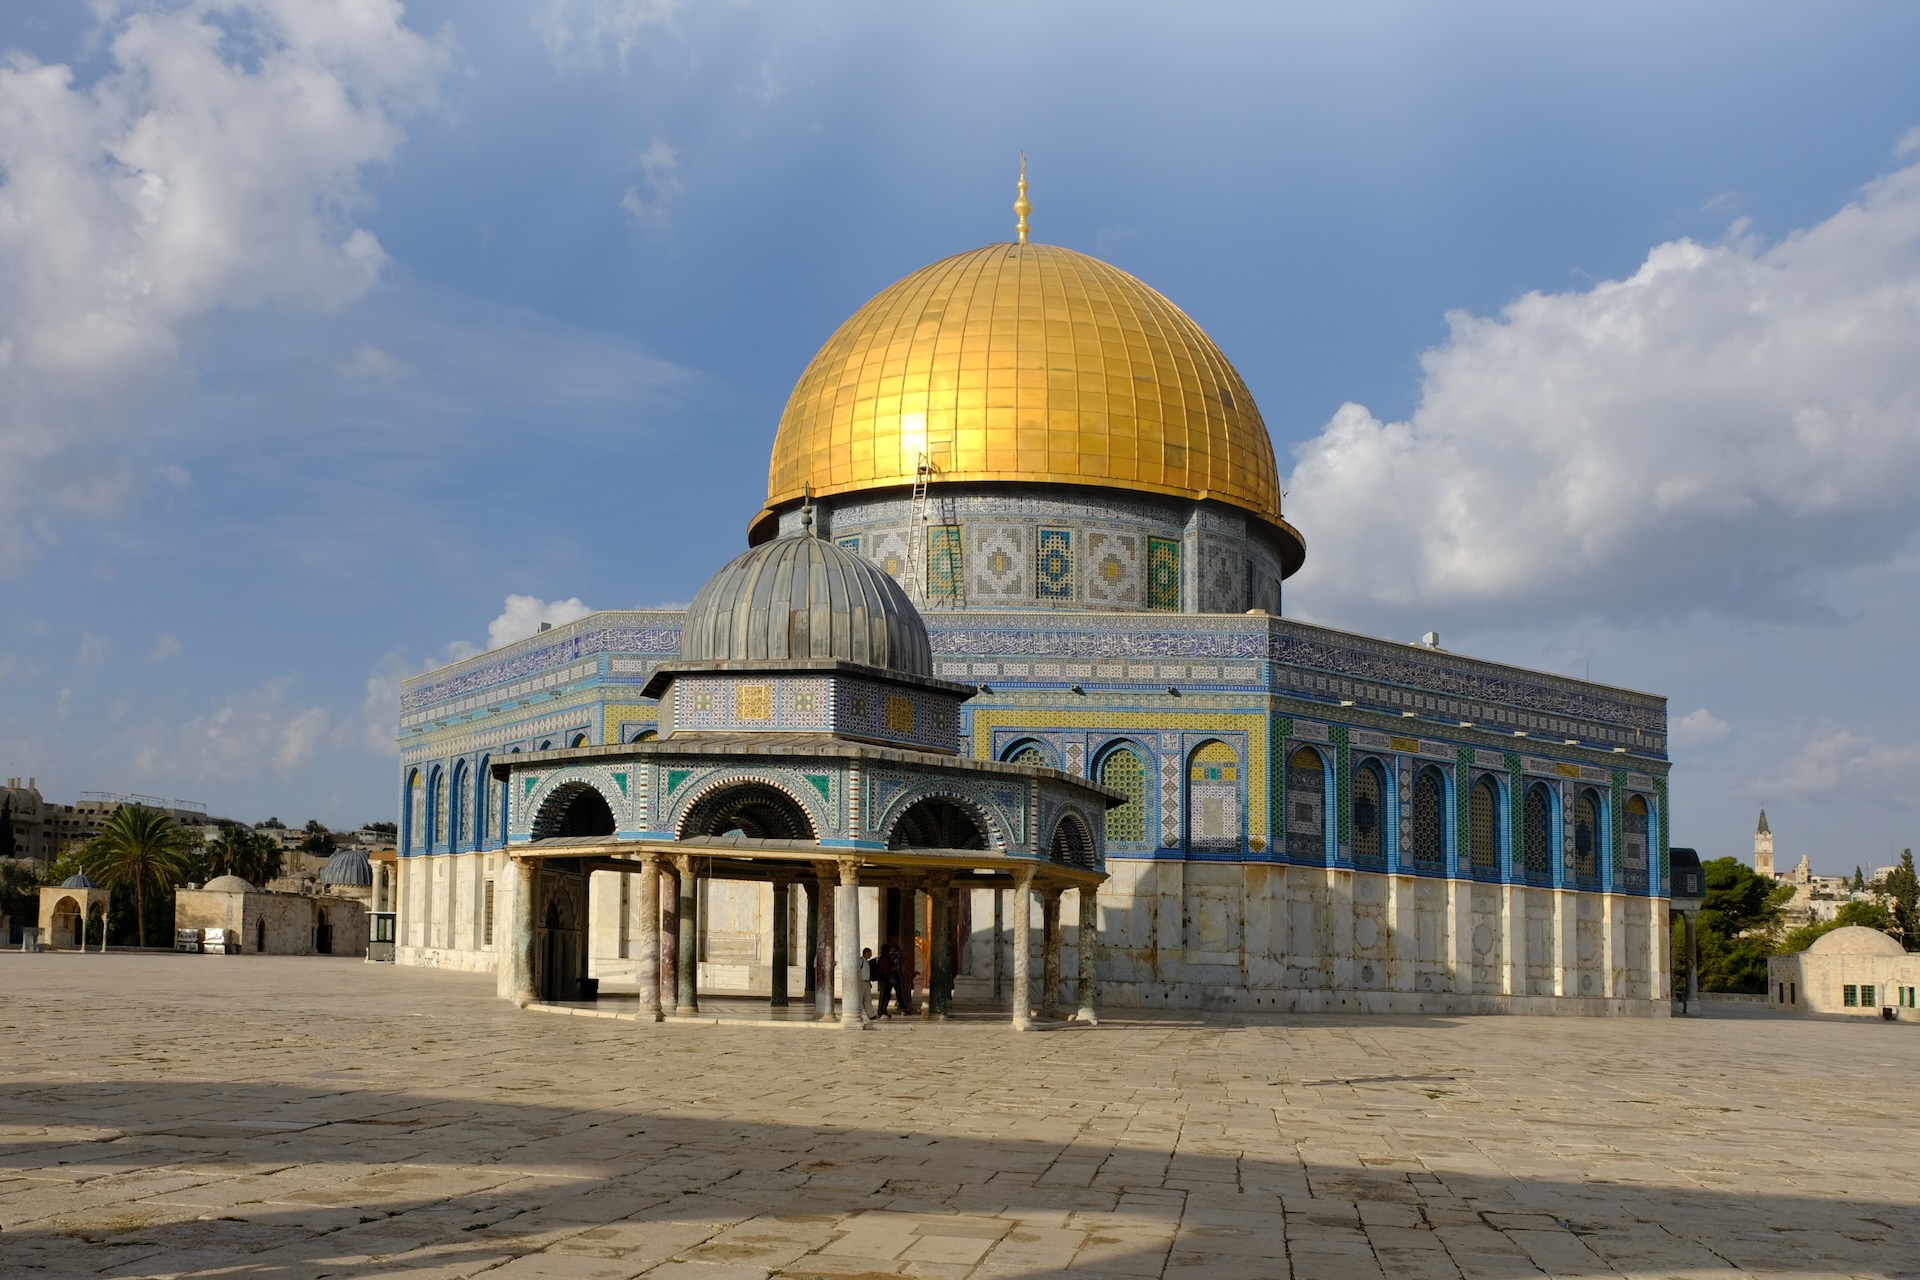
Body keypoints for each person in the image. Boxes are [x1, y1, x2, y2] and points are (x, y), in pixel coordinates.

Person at [875, 945, 898, 1018]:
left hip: (883, 978)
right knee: (885, 995)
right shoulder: (885, 959)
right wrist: (893, 968)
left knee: (885, 995)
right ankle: (881, 1011)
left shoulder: (881, 958)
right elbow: (886, 970)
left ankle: (882, 1011)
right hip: (885, 978)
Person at [858, 947, 876, 1018]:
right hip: (861, 982)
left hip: (867, 983)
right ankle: (858, 1014)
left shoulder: (866, 962)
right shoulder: (860, 961)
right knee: (860, 999)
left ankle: (871, 1015)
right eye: (870, 954)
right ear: (866, 953)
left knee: (868, 999)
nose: (870, 955)